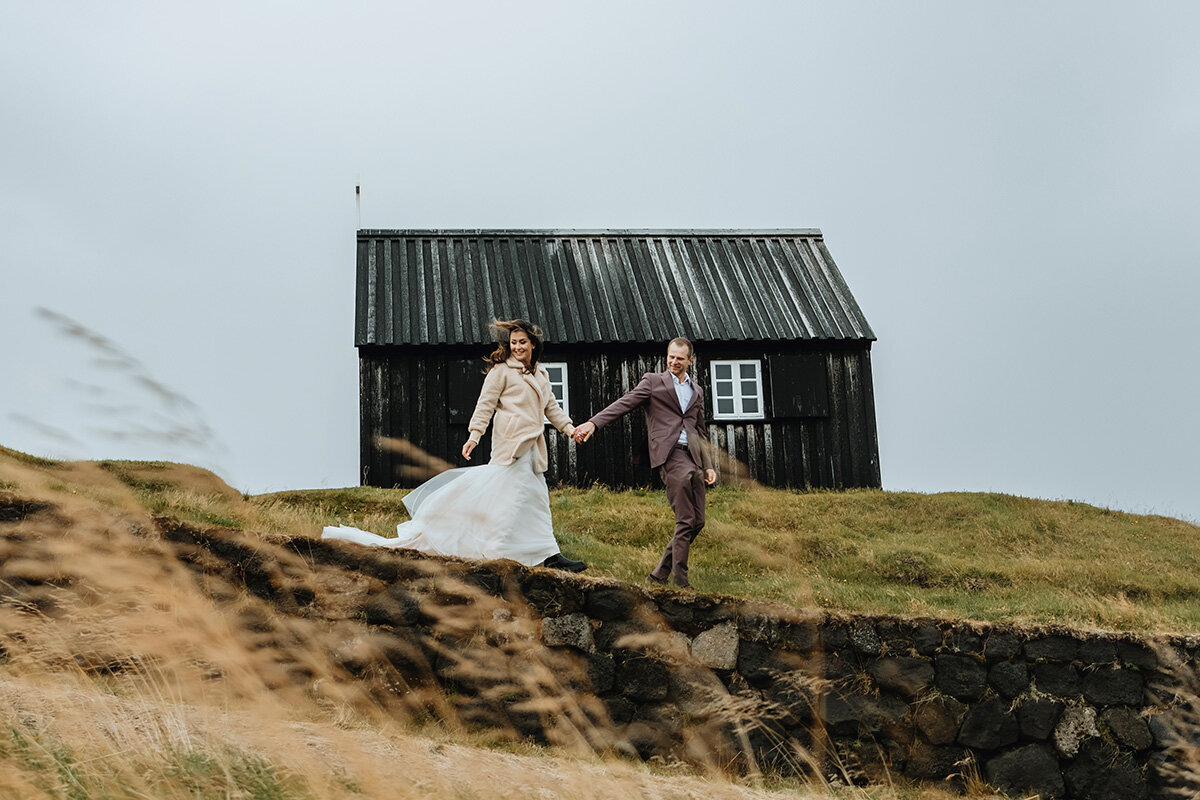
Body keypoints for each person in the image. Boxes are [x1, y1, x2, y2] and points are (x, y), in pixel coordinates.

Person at [323, 319, 586, 572]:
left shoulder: (540, 373)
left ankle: (549, 554)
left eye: (522, 343)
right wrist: (474, 436)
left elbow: (551, 408)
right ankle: (498, 551)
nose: (517, 347)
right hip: (511, 445)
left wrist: (571, 429)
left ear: (533, 345)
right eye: (514, 342)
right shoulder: (501, 372)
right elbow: (484, 406)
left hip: (534, 449)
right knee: (510, 499)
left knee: (536, 497)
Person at [573, 337, 716, 588]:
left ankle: (659, 573)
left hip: (693, 456)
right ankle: (681, 582)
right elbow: (623, 404)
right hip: (670, 455)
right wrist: (593, 423)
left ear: (689, 361)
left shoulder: (697, 391)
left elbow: (701, 430)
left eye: (679, 358)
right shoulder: (653, 382)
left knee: (698, 521)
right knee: (685, 519)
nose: (673, 361)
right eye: (670, 356)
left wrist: (708, 465)